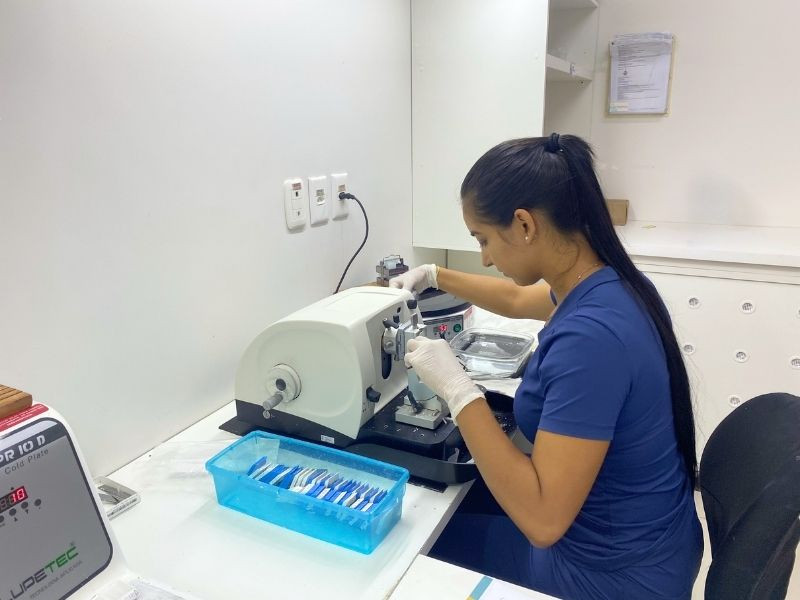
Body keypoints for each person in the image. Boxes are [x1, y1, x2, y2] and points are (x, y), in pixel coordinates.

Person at [391, 134, 703, 599]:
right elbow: (517, 299)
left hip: (609, 576)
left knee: (411, 542)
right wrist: (433, 275)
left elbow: (542, 521)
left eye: (483, 239)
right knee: (457, 505)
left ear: (524, 224)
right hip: (645, 540)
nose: (486, 257)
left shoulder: (591, 340)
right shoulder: (607, 282)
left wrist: (458, 390)